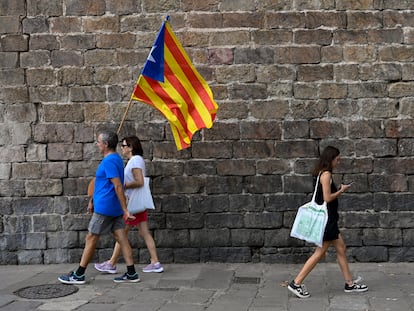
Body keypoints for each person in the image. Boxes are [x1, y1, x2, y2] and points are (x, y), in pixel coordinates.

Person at [58, 130, 140, 284]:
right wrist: (92, 201)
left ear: (106, 144)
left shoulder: (109, 161)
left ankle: (79, 274)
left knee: (91, 237)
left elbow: (117, 186)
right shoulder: (115, 158)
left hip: (106, 208)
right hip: (111, 206)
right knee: (121, 238)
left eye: (98, 142)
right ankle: (131, 273)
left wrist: (125, 210)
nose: (97, 144)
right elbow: (102, 184)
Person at [288, 146, 368, 298]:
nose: (339, 161)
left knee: (341, 248)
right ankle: (296, 283)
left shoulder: (323, 173)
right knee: (319, 253)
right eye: (338, 159)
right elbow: (327, 198)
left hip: (330, 220)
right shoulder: (326, 175)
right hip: (327, 222)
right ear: (331, 159)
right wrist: (342, 190)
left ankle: (349, 284)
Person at [94, 135, 164, 274]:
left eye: (124, 146)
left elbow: (140, 181)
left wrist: (124, 185)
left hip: (132, 204)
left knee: (121, 234)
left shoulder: (135, 160)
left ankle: (112, 263)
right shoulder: (134, 160)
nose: (122, 148)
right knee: (143, 232)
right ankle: (155, 262)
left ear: (131, 147)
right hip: (136, 203)